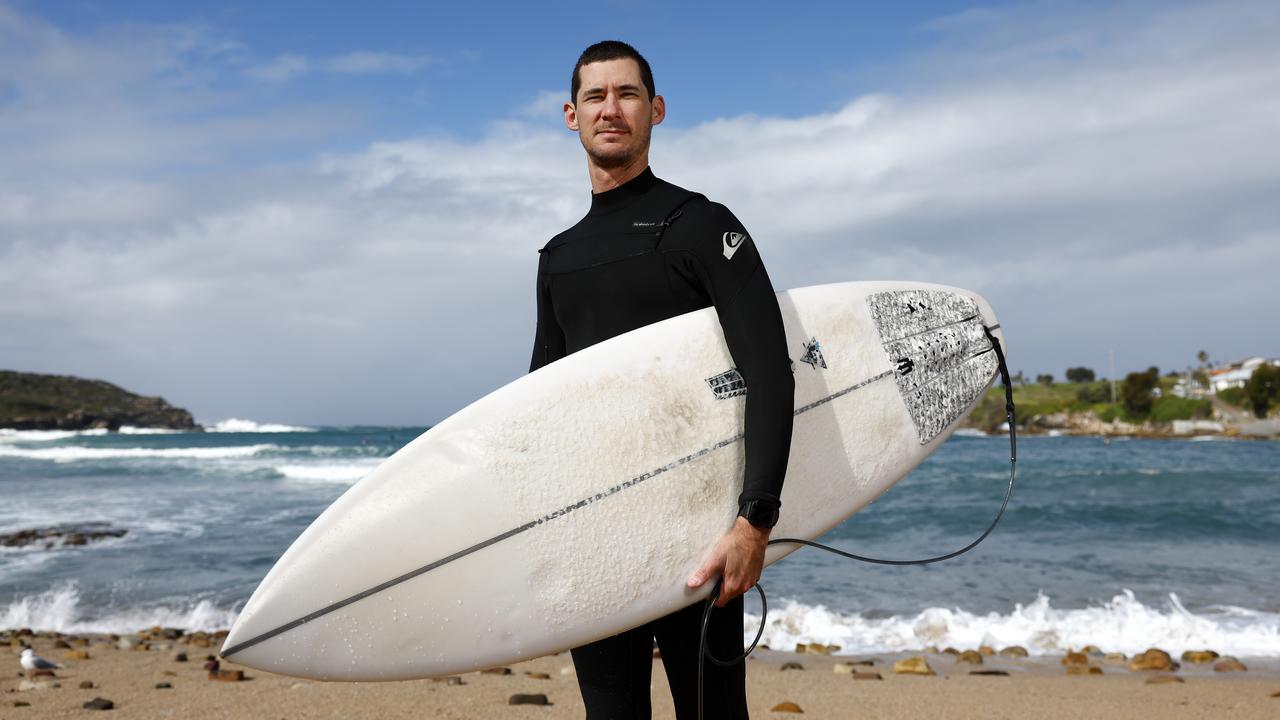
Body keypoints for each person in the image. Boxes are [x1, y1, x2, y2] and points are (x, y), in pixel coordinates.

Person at [529, 40, 795, 720]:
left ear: (656, 109)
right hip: (601, 543)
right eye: (595, 96)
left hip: (704, 536)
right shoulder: (558, 259)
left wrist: (753, 523)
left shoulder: (703, 226)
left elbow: (767, 370)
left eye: (626, 94)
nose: (610, 109)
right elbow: (543, 411)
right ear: (571, 115)